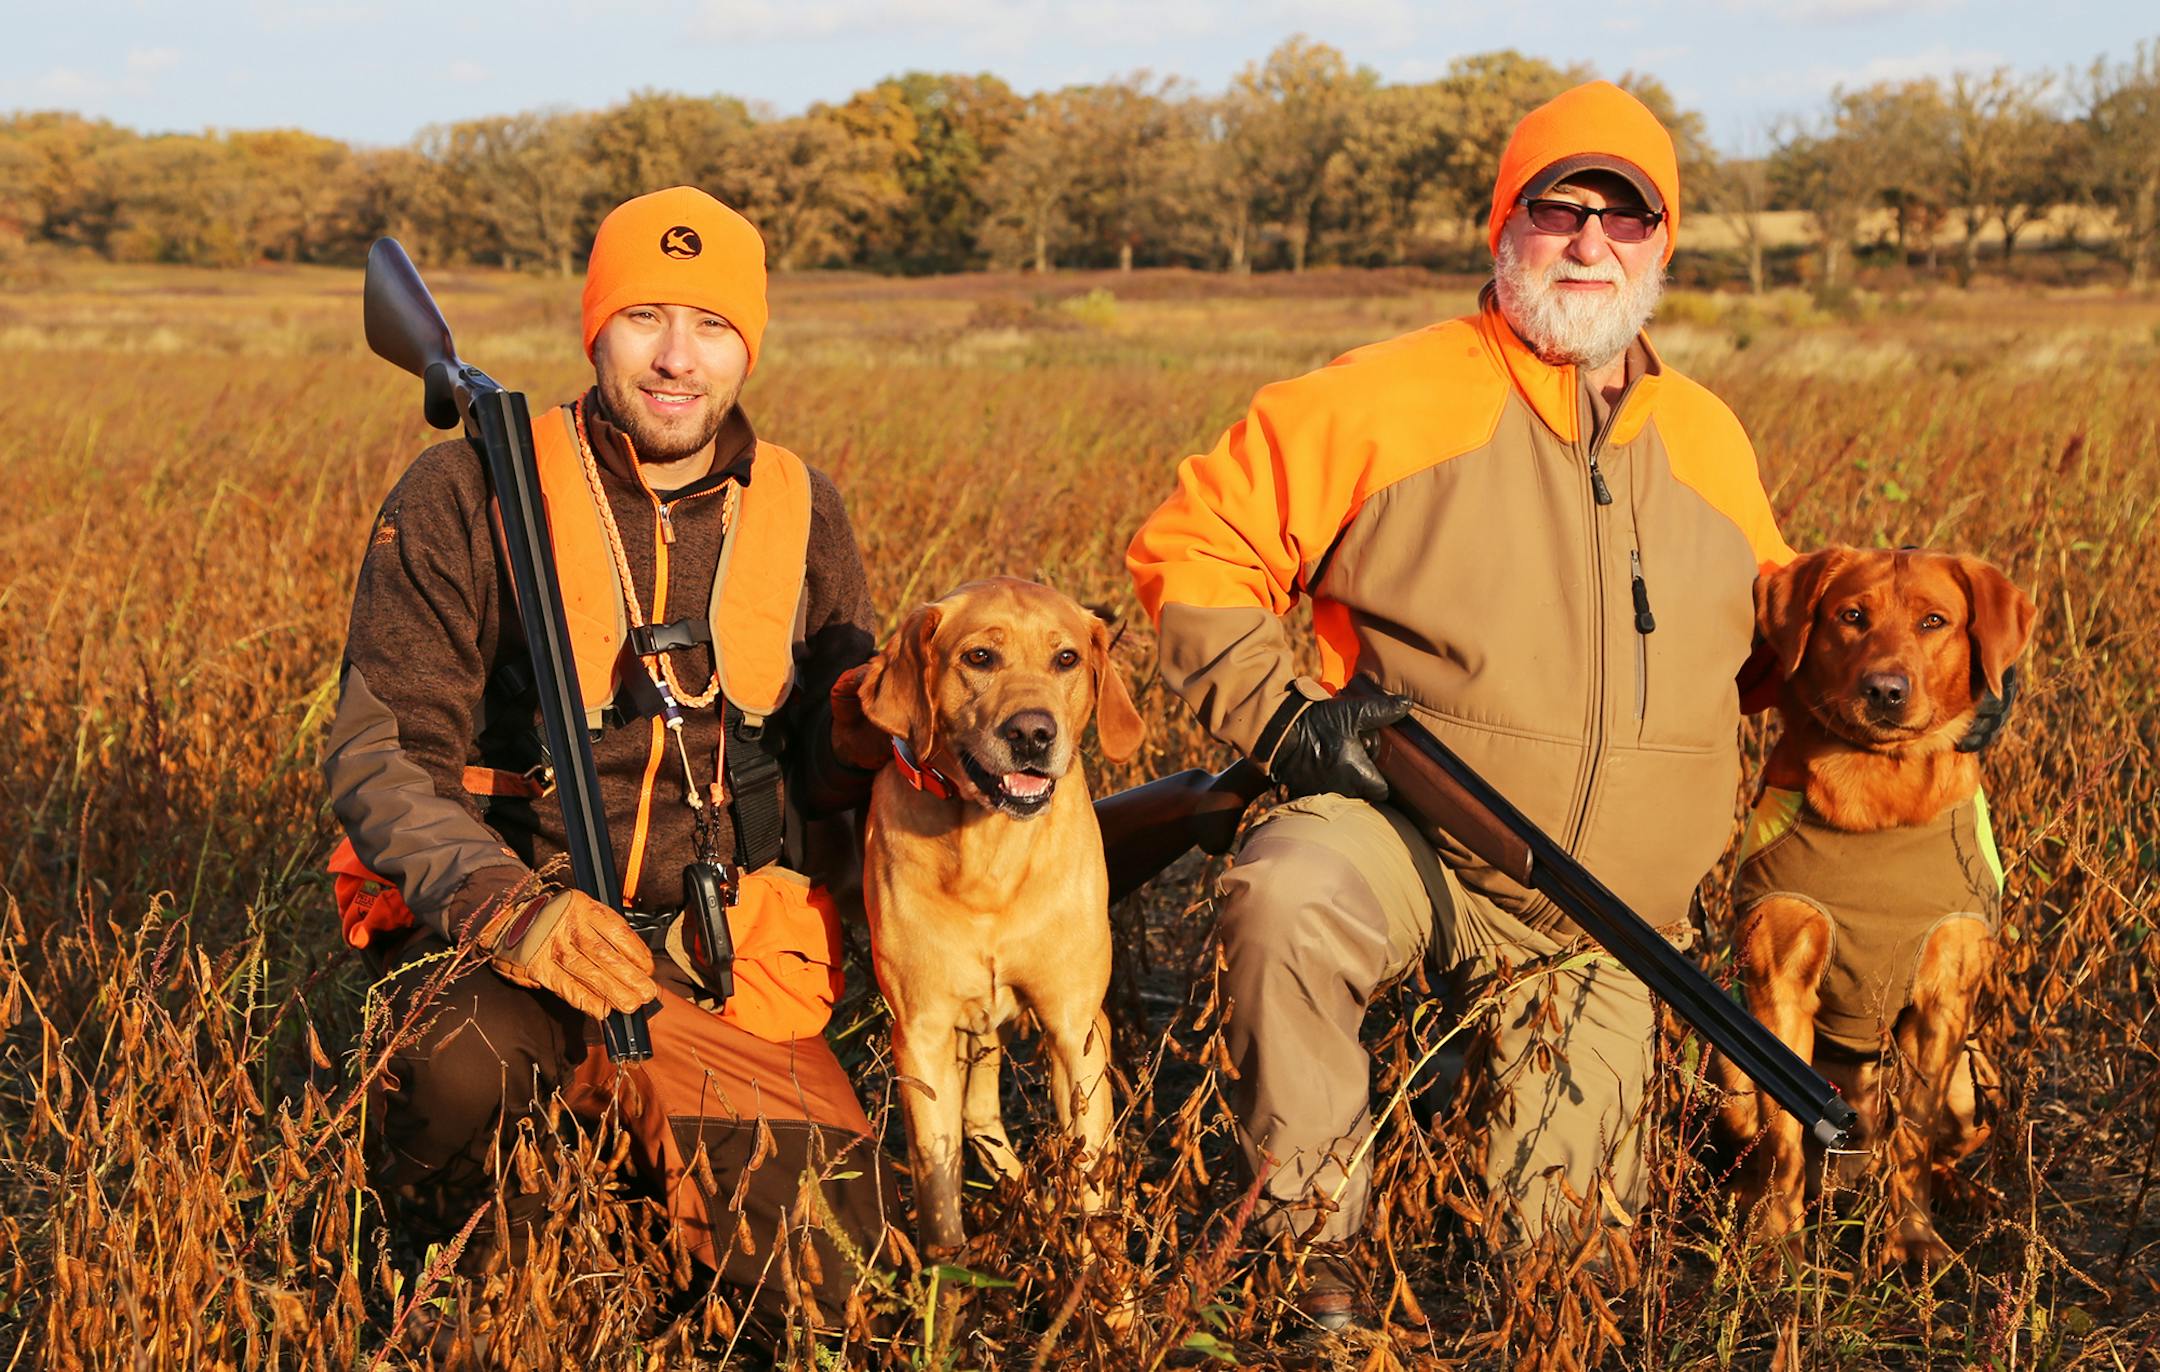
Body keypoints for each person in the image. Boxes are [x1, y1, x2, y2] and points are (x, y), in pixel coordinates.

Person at [1126, 82, 1795, 1327]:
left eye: (1627, 216)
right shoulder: (1382, 396)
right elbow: (1193, 545)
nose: (1591, 242)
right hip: (1409, 838)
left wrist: (1937, 697)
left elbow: (1771, 651)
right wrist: (1282, 719)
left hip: (1607, 924)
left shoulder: (1710, 439)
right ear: (1507, 224)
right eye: (1560, 207)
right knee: (1287, 895)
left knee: (1560, 1291)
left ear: (1665, 245)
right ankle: (1312, 1253)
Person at [322, 186, 893, 1332]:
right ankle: (430, 1254)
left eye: (715, 326)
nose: (678, 357)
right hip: (511, 945)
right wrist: (515, 913)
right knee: (451, 1076)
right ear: (595, 327)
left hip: (719, 967)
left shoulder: (799, 507)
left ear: (749, 347)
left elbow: (831, 777)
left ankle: (635, 1195)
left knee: (836, 1284)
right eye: (646, 316)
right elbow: (385, 757)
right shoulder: (470, 486)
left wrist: (894, 723)